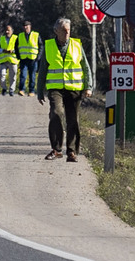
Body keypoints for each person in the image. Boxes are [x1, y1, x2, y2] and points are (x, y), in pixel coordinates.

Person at [36, 17, 93, 163]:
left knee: (73, 120)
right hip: (55, 89)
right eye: (63, 30)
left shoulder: (76, 45)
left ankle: (72, 151)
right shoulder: (49, 46)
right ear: (56, 31)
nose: (67, 32)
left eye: (68, 30)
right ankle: (56, 149)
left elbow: (85, 67)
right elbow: (43, 70)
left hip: (74, 89)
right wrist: (39, 90)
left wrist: (88, 86)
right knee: (56, 113)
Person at [16, 20, 41, 96]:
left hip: (33, 59)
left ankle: (31, 91)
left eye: (27, 26)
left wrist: (38, 56)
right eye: (24, 26)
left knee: (32, 76)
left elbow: (41, 46)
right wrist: (18, 56)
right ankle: (21, 90)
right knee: (23, 75)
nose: (25, 27)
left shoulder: (36, 35)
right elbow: (16, 46)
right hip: (23, 59)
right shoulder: (20, 36)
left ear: (30, 27)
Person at [0, 24, 18, 96]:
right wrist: (3, 50)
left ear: (12, 31)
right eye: (6, 30)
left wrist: (13, 51)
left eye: (8, 30)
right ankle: (4, 88)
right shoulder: (1, 39)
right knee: (2, 75)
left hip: (13, 60)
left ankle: (12, 90)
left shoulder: (16, 38)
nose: (7, 32)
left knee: (13, 76)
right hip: (3, 61)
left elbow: (19, 48)